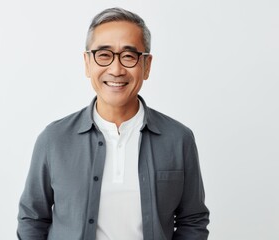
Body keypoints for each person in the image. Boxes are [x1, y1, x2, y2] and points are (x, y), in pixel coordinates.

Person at [17, 7, 210, 240]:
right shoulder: (54, 139)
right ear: (87, 63)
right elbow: (32, 218)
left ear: (146, 66)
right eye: (104, 55)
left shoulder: (178, 139)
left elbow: (192, 219)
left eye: (128, 56)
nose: (116, 69)